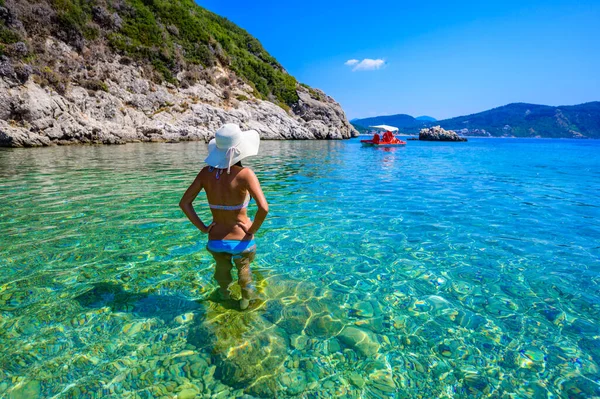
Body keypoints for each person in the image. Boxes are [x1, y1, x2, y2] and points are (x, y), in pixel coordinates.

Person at [179, 124, 269, 310]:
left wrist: (203, 228)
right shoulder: (245, 174)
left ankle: (224, 294)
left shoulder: (205, 173)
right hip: (241, 240)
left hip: (216, 240)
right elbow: (263, 208)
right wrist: (252, 230)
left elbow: (184, 203)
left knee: (222, 268)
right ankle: (245, 301)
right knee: (243, 267)